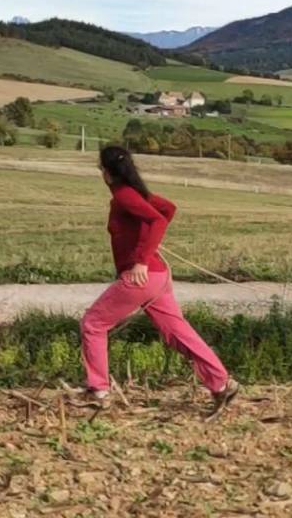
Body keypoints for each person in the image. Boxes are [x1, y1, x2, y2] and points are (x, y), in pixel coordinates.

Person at [81, 145, 238, 411]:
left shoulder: (124, 196)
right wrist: (145, 247)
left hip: (142, 277)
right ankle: (221, 383)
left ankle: (99, 391)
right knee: (178, 332)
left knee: (93, 324)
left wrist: (141, 259)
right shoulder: (135, 194)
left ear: (106, 173)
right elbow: (168, 209)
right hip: (158, 277)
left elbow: (158, 220)